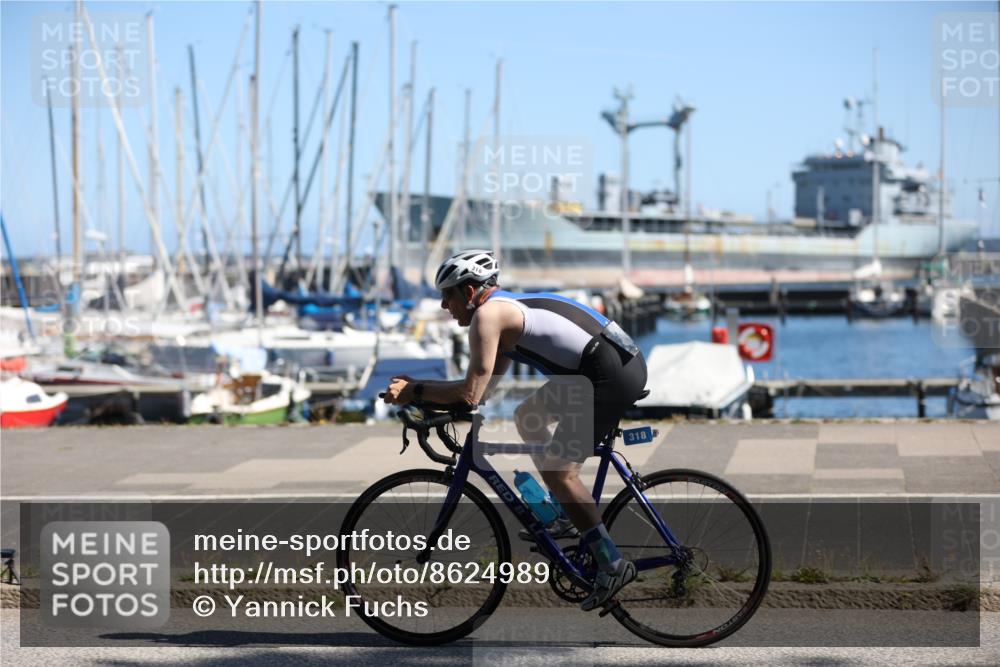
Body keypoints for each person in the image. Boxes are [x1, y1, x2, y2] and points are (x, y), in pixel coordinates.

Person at [383, 249, 648, 611]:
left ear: (471, 291)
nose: (445, 305)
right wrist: (430, 397)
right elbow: (484, 389)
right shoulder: (504, 313)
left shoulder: (489, 316)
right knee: (529, 416)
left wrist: (415, 391)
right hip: (604, 365)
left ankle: (612, 563)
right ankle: (563, 516)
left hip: (609, 374)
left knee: (558, 469)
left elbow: (469, 393)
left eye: (448, 295)